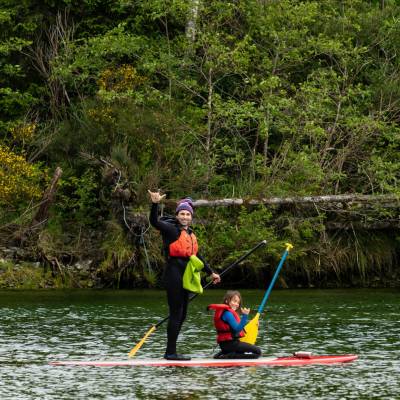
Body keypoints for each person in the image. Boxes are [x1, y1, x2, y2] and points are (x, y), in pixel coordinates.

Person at [148, 190, 221, 361]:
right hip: (173, 275)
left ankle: (171, 351)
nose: (185, 216)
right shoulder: (171, 229)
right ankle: (170, 353)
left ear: (191, 216)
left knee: (183, 315)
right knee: (176, 313)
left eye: (188, 214)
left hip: (186, 276)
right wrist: (154, 203)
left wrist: (211, 273)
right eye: (182, 213)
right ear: (177, 215)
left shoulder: (190, 234)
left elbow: (197, 256)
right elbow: (154, 222)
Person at [208, 290, 261, 359]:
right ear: (227, 301)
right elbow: (237, 329)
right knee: (258, 352)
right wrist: (245, 316)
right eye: (234, 301)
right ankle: (228, 356)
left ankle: (223, 354)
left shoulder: (226, 312)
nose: (236, 304)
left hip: (225, 345)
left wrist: (254, 324)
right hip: (231, 345)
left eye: (238, 302)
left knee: (242, 351)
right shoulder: (228, 314)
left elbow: (236, 328)